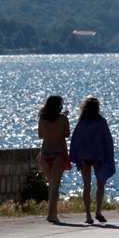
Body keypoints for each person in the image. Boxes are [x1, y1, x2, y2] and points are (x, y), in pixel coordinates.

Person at [69, 97, 115, 224]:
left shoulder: (82, 122)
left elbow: (76, 139)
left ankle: (88, 216)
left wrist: (75, 154)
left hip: (84, 157)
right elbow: (107, 141)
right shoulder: (101, 122)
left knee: (86, 186)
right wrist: (108, 156)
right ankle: (98, 211)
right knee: (100, 184)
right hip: (97, 156)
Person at [37, 94, 70, 224]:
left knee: (51, 185)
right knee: (55, 186)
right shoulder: (62, 119)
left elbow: (40, 135)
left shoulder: (42, 118)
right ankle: (51, 215)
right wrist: (65, 118)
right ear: (59, 106)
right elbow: (66, 134)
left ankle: (54, 213)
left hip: (45, 154)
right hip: (58, 153)